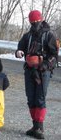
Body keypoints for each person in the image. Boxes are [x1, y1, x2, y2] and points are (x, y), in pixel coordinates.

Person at [15, 10, 58, 139]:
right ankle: (34, 126)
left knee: (40, 98)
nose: (34, 24)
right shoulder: (27, 36)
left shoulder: (50, 35)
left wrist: (45, 65)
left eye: (36, 21)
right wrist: (19, 52)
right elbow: (19, 48)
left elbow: (54, 55)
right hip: (29, 70)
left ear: (41, 19)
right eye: (32, 22)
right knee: (31, 98)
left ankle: (40, 128)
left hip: (43, 71)